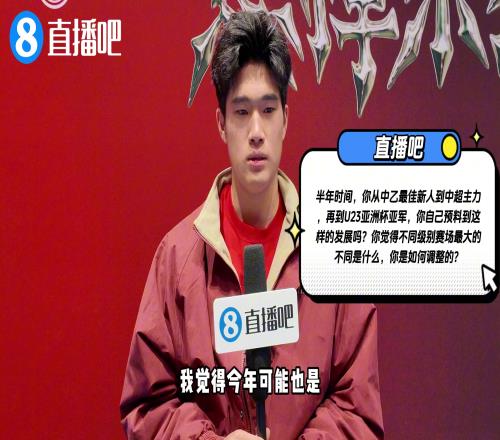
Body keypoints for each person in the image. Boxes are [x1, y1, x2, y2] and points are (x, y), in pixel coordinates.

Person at [120, 11, 383, 440]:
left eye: (268, 110)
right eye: (242, 112)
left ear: (286, 119)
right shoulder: (178, 256)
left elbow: (358, 409)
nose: (256, 131)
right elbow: (148, 406)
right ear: (221, 124)